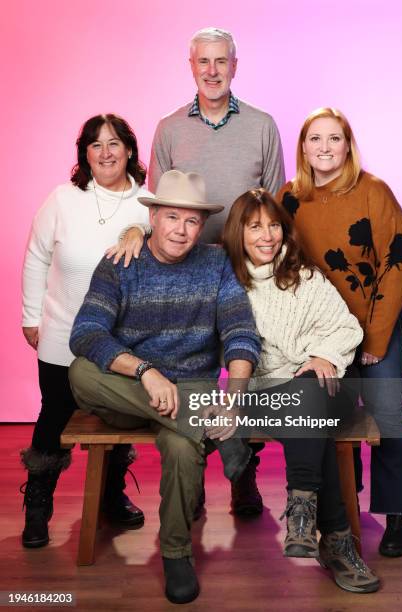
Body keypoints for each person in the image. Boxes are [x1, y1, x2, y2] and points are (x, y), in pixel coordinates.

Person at [68, 170, 261, 604]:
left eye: (192, 221)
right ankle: (222, 437)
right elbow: (86, 333)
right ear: (152, 216)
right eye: (172, 217)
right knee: (80, 371)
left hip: (192, 388)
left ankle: (176, 553)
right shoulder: (121, 262)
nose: (181, 229)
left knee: (180, 447)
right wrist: (145, 371)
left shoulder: (215, 263)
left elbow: (240, 331)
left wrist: (232, 401)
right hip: (130, 392)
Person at [147, 26, 285, 515]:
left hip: (250, 273)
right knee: (199, 373)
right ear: (191, 67)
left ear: (234, 65)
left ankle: (244, 467)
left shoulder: (263, 125)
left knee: (250, 366)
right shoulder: (168, 129)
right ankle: (199, 476)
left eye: (220, 61)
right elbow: (157, 205)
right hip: (188, 274)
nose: (212, 71)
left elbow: (277, 204)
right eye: (203, 62)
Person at [223, 188, 379, 593]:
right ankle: (337, 541)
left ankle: (302, 512)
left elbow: (347, 329)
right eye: (255, 226)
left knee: (308, 395)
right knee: (306, 411)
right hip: (267, 394)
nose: (267, 235)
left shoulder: (305, 276)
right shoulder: (227, 283)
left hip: (329, 384)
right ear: (237, 233)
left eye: (274, 225)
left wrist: (324, 355)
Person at [277, 107, 402, 557]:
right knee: (336, 419)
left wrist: (375, 340)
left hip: (376, 324)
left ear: (348, 145)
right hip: (324, 333)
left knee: (386, 414)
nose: (324, 148)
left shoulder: (373, 191)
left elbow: (396, 268)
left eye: (334, 138)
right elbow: (274, 256)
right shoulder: (290, 198)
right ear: (303, 147)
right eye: (315, 139)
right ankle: (344, 512)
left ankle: (396, 514)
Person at [21, 113, 153, 549]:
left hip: (120, 340)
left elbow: (169, 232)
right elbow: (37, 256)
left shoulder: (148, 201)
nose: (106, 152)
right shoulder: (62, 199)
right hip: (61, 333)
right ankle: (38, 505)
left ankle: (110, 497)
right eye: (96, 145)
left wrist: (141, 226)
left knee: (118, 421)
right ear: (85, 155)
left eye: (114, 143)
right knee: (53, 418)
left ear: (130, 149)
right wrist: (31, 316)